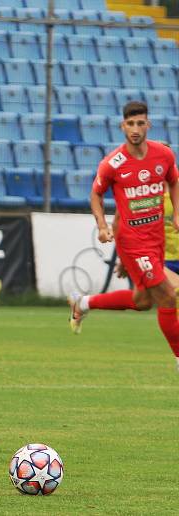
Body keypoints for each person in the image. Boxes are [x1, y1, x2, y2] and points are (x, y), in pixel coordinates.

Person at [68, 101, 179, 370]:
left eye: (140, 123)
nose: (135, 129)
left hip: (155, 242)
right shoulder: (113, 163)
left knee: (142, 302)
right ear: (123, 126)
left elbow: (175, 181)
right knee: (168, 296)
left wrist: (176, 213)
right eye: (130, 124)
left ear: (148, 125)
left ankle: (84, 302)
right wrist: (103, 226)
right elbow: (96, 194)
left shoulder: (163, 155)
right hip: (133, 242)